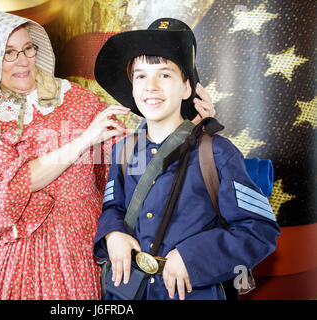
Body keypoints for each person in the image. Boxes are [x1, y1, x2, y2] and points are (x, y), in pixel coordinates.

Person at [0, 12, 214, 300]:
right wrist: (84, 140)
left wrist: (187, 126)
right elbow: (14, 186)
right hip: (15, 248)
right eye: (9, 53)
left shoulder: (76, 98)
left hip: (79, 242)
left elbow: (132, 157)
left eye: (28, 48)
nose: (23, 60)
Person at [93, 18, 280, 300]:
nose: (151, 86)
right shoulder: (125, 151)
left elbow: (259, 230)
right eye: (141, 76)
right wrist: (113, 235)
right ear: (132, 87)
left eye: (165, 75)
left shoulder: (216, 153)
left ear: (186, 88)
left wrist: (193, 257)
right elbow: (112, 208)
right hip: (127, 294)